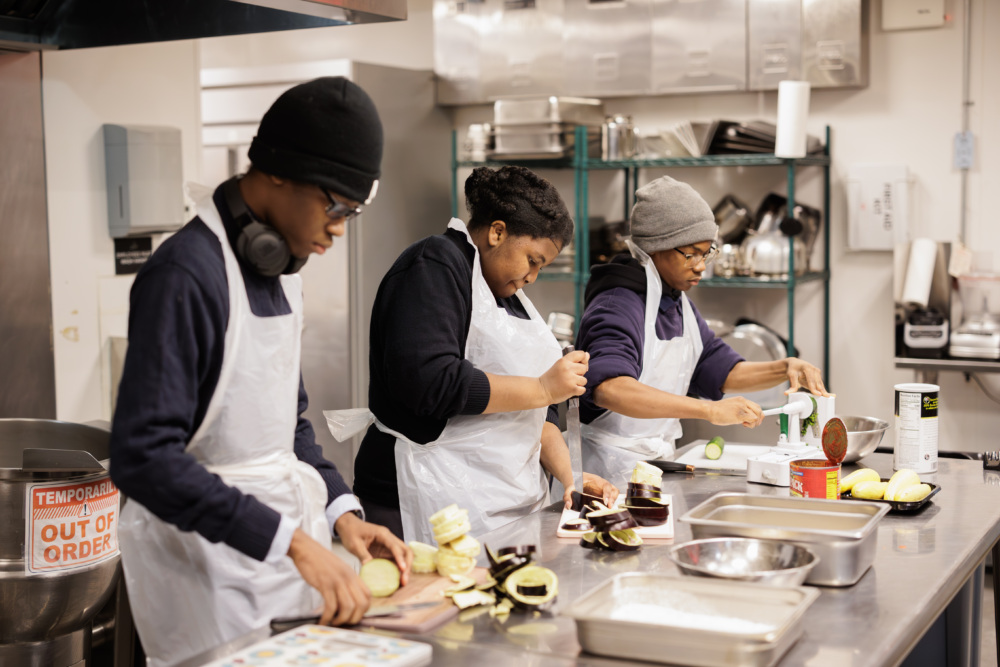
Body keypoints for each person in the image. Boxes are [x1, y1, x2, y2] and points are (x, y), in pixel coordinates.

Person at [109, 77, 411, 667]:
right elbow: (142, 457)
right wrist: (290, 541)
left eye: (354, 210)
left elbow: (286, 427)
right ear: (278, 171)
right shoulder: (186, 277)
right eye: (336, 205)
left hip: (282, 556)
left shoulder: (283, 269)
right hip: (203, 566)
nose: (340, 228)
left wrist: (341, 513)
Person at [351, 165, 618, 544]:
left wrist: (570, 473)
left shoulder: (509, 298)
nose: (533, 277)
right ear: (497, 232)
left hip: (494, 500)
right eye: (533, 260)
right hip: (417, 495)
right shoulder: (434, 265)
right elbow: (431, 383)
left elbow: (533, 416)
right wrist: (543, 388)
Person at [576, 176, 829, 485]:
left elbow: (718, 368)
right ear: (657, 246)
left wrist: (784, 367)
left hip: (656, 467)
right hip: (605, 474)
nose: (701, 266)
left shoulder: (677, 302)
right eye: (691, 253)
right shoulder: (617, 304)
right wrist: (709, 411)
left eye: (707, 253)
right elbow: (609, 389)